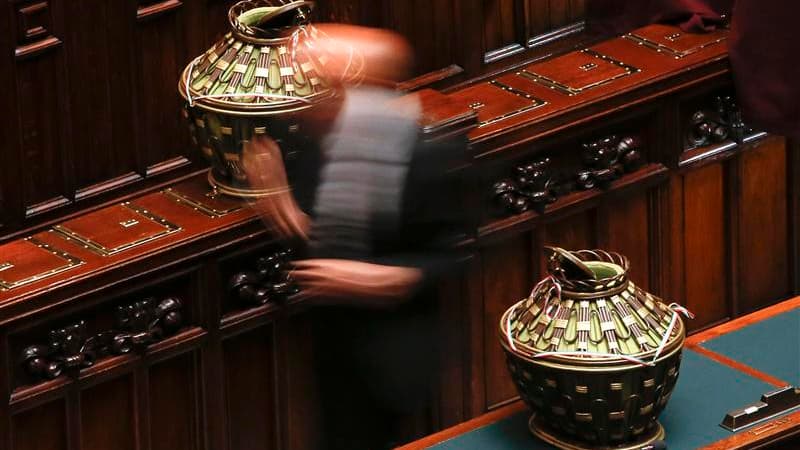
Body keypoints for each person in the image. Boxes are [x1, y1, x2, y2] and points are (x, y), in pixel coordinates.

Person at [242, 25, 466, 450]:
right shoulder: (319, 145)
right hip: (337, 349)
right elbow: (329, 239)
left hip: (396, 353)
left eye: (330, 77)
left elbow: (451, 254)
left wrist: (378, 279)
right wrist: (282, 205)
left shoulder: (426, 152)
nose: (317, 90)